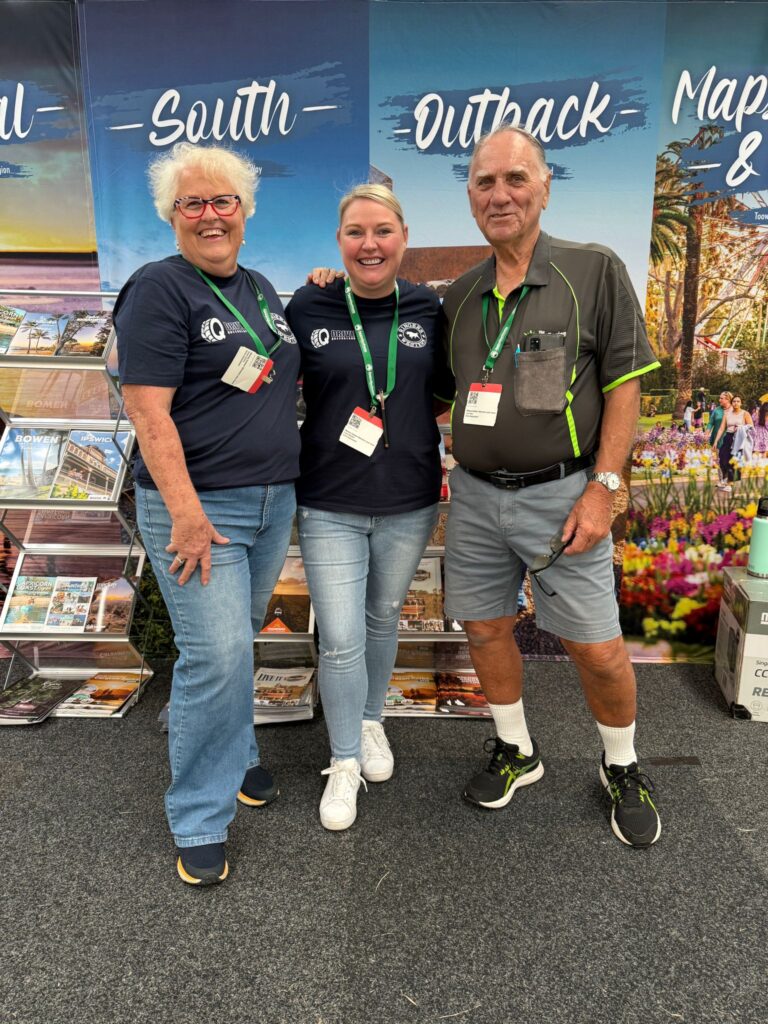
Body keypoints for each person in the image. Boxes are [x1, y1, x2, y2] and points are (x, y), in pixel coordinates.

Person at [441, 124, 662, 848]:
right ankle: (516, 749)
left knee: (596, 646)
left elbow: (625, 386)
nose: (499, 195)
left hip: (564, 495)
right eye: (484, 182)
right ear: (469, 196)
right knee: (485, 626)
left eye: (514, 179)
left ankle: (622, 765)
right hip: (473, 495)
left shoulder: (592, 269)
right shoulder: (461, 296)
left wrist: (605, 487)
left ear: (543, 187)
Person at [115, 142, 301, 885]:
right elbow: (147, 414)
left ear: (246, 214)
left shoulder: (259, 288)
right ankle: (197, 812)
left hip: (269, 500)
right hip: (200, 509)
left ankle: (241, 754)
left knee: (238, 641)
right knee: (215, 654)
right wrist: (188, 514)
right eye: (192, 203)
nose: (210, 214)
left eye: (223, 200)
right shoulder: (159, 289)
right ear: (172, 216)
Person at [286, 185, 453, 831]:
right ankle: (345, 760)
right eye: (356, 232)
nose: (369, 243)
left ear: (403, 237)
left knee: (382, 618)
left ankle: (371, 720)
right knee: (342, 637)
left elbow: (440, 390)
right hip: (329, 498)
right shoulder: (310, 303)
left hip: (408, 497)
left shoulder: (427, 308)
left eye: (382, 230)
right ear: (339, 242)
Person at [715, 394, 753, 488]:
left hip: (738, 439)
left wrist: (741, 427)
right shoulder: (727, 414)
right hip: (728, 437)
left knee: (734, 461)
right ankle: (725, 478)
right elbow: (721, 428)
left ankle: (730, 483)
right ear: (731, 403)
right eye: (734, 401)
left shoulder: (745, 413)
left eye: (738, 401)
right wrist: (716, 441)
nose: (736, 403)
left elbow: (751, 426)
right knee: (722, 458)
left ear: (741, 403)